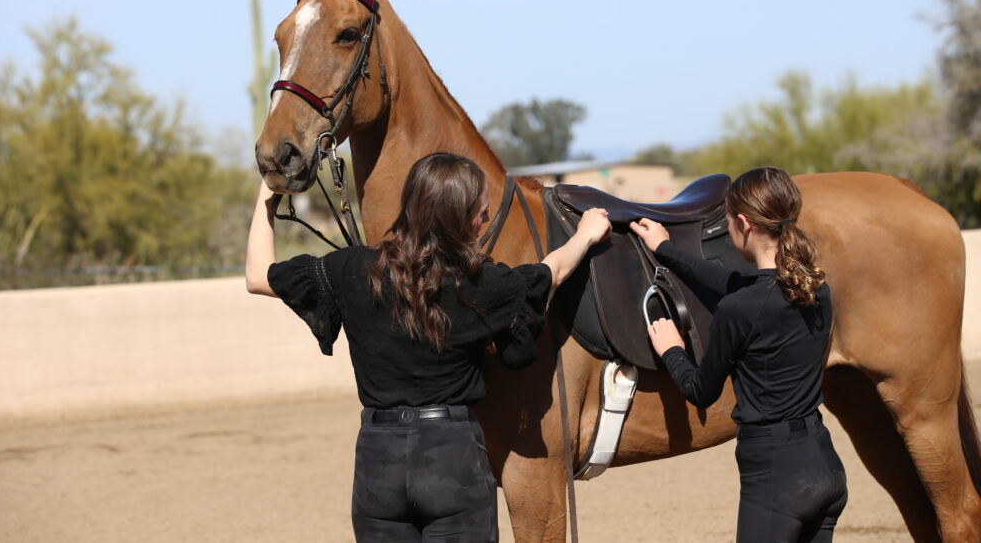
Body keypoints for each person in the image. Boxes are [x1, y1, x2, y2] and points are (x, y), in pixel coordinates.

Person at [246, 152, 610, 542]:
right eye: (481, 213)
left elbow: (256, 277)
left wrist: (268, 194)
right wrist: (585, 235)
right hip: (452, 458)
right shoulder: (479, 285)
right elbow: (550, 273)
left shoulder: (350, 269)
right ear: (458, 218)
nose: (485, 220)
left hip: (377, 461)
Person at [631, 166, 847, 543]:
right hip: (823, 464)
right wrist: (665, 250)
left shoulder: (740, 309)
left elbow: (701, 391)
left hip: (777, 477)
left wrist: (673, 351)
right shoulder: (817, 289)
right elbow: (735, 284)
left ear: (743, 224)